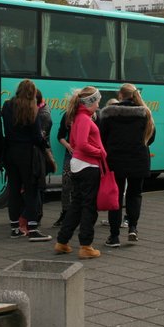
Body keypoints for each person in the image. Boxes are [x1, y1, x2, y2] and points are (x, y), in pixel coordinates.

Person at [98, 83, 155, 247]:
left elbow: (102, 138)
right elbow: (150, 138)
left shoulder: (108, 114)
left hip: (116, 161)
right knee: (135, 194)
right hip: (139, 160)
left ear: (120, 95)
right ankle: (132, 228)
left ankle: (114, 236)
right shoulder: (145, 113)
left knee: (115, 197)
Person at [54, 86, 106, 259]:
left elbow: (75, 142)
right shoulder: (84, 119)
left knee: (76, 205)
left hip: (78, 164)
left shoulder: (77, 117)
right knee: (89, 207)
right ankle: (86, 246)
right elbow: (82, 144)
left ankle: (62, 241)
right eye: (97, 101)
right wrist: (100, 152)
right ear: (90, 102)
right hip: (88, 166)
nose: (98, 105)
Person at [0, 79, 53, 242]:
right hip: (27, 154)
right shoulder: (32, 108)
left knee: (14, 190)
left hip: (10, 152)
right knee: (31, 190)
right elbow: (37, 137)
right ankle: (33, 229)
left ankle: (15, 228)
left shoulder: (7, 105)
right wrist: (44, 143)